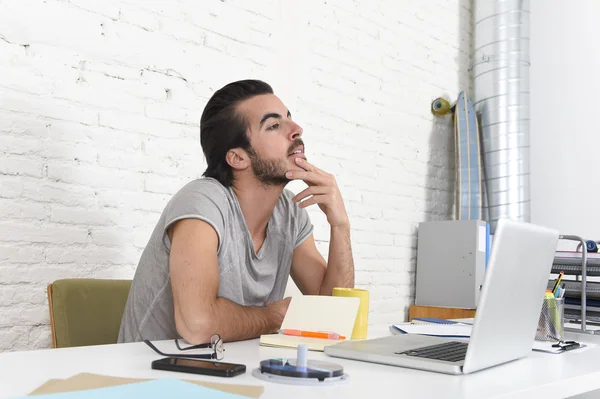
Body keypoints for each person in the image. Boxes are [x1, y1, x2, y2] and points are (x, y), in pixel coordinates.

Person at [118, 79, 355, 345]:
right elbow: (197, 326)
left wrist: (340, 225)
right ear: (238, 157)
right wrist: (276, 315)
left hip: (233, 374)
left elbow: (334, 316)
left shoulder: (290, 213)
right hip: (152, 377)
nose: (297, 130)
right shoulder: (202, 202)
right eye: (274, 126)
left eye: (290, 118)